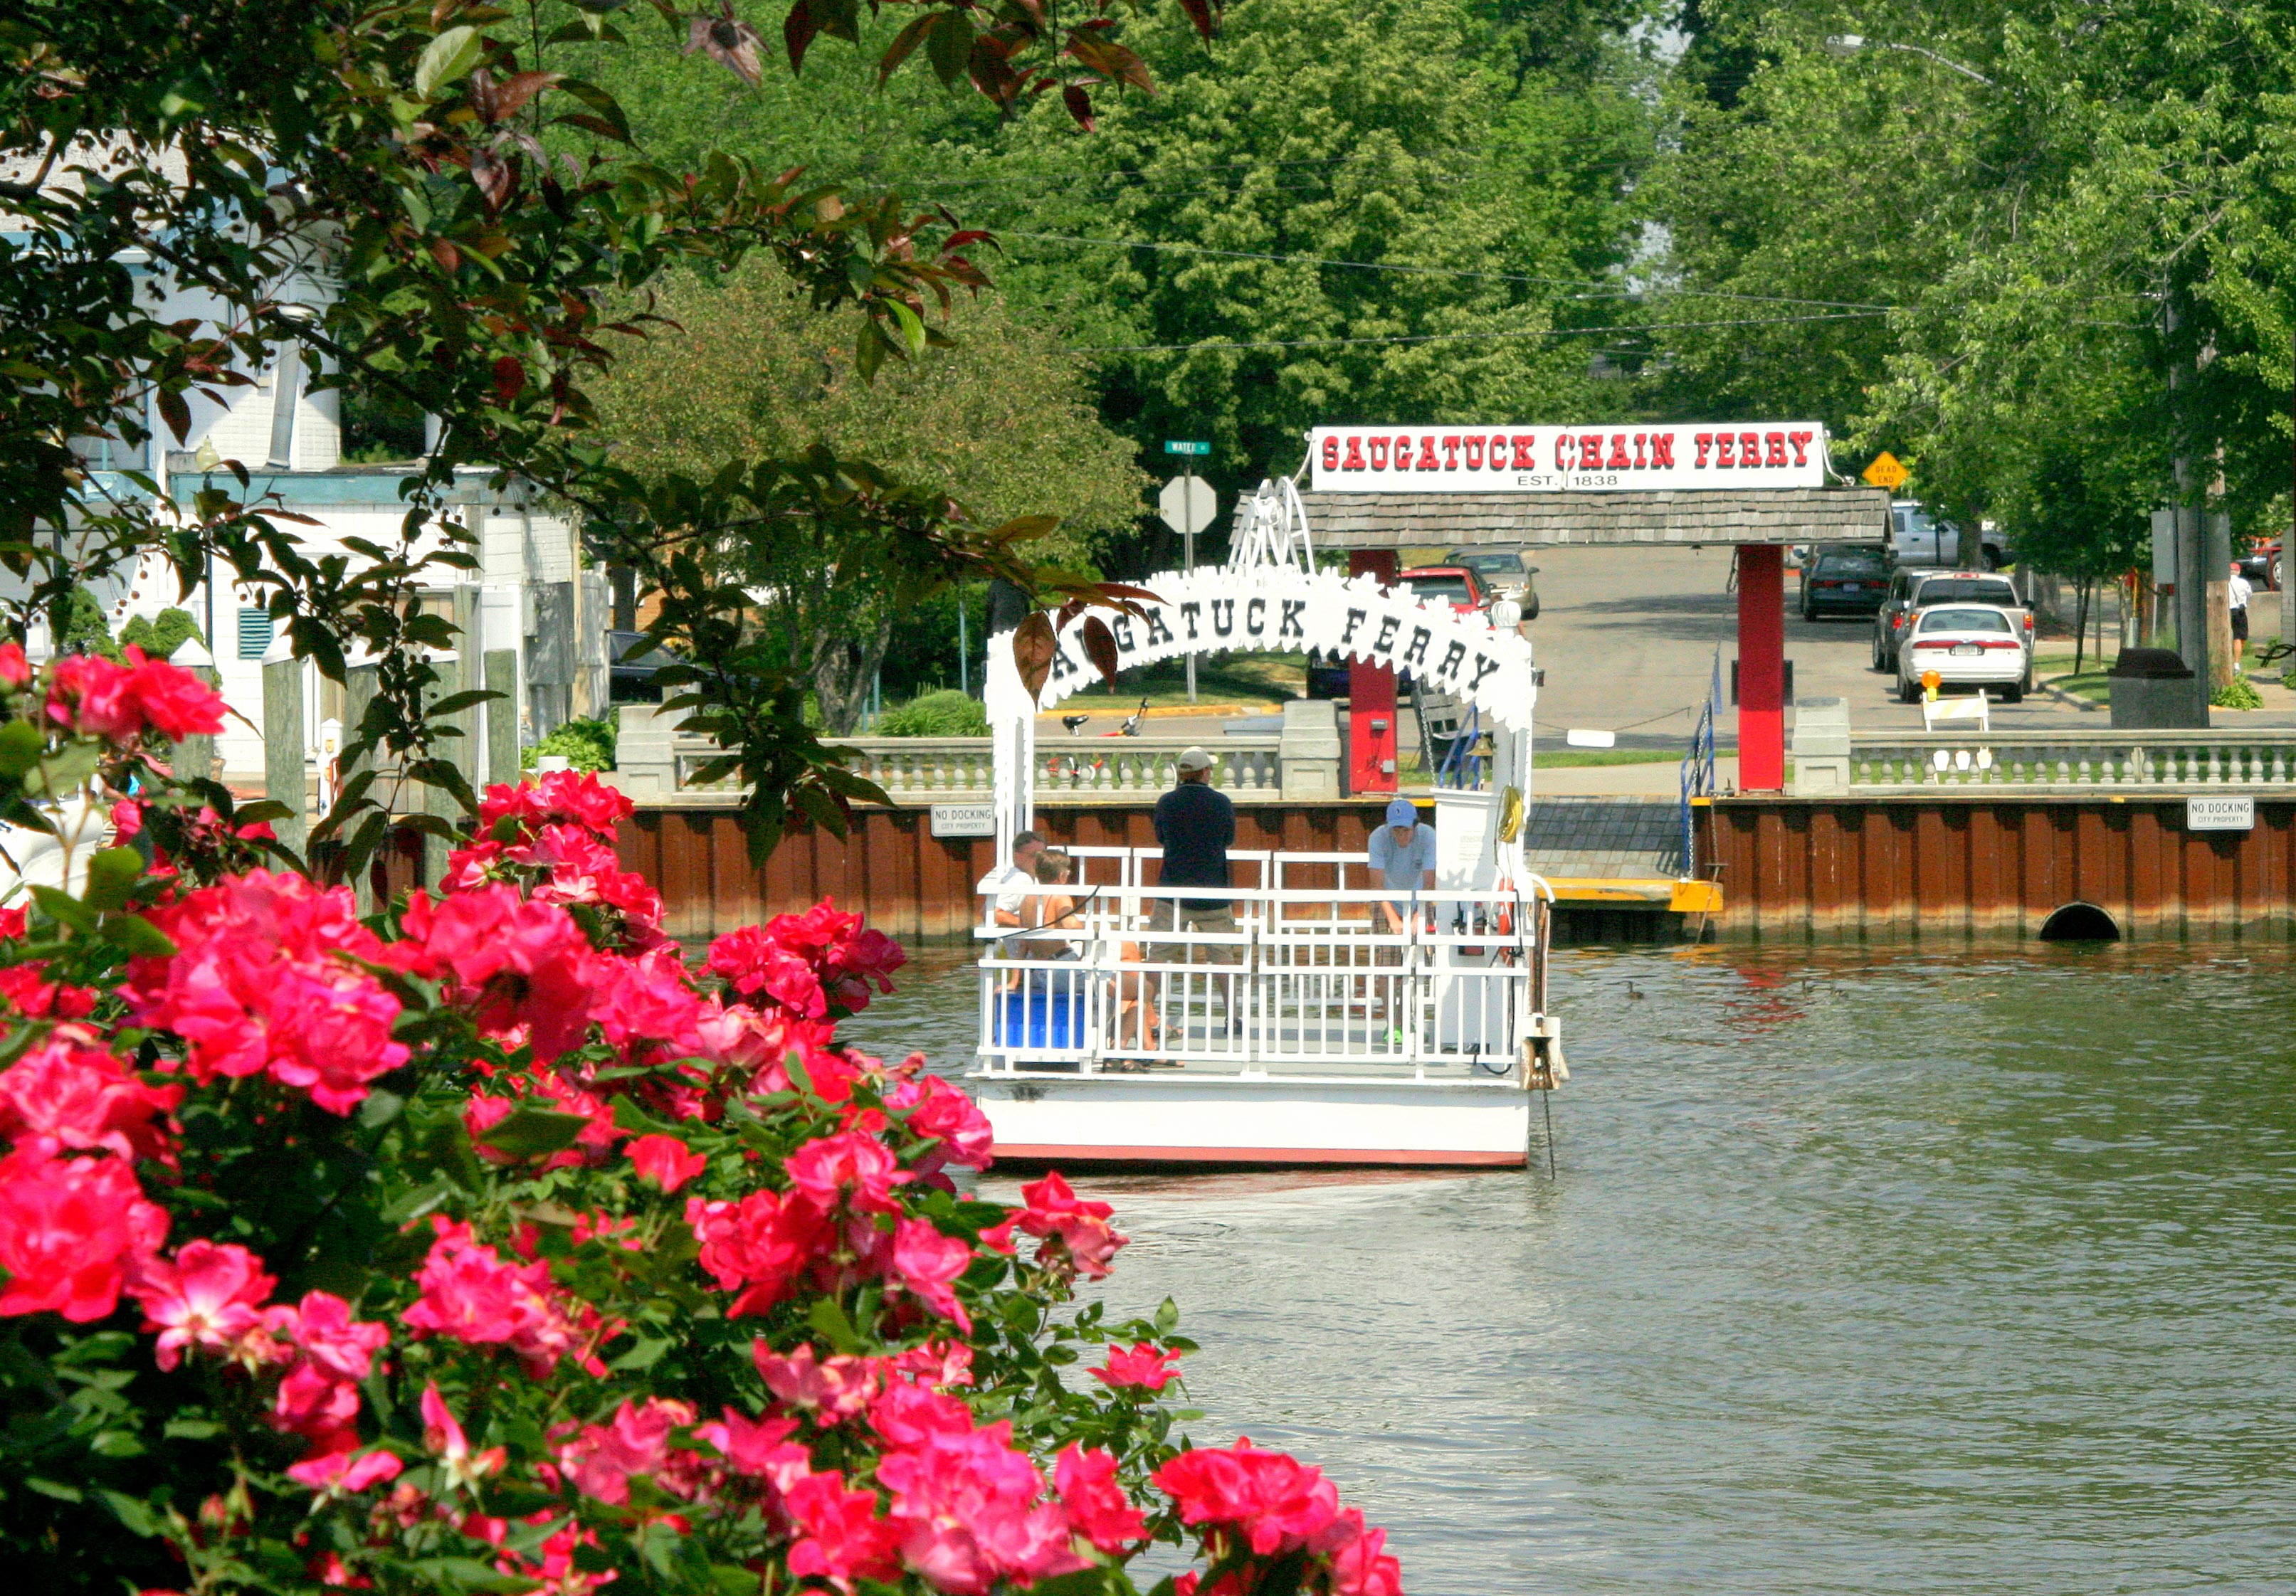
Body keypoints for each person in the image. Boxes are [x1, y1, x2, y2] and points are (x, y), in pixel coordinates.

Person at [1150, 747, 1236, 947]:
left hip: (1172, 892)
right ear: (1205, 771)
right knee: (1223, 956)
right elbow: (1228, 840)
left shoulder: (1166, 802)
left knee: (1158, 953)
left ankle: (1153, 981)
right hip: (1213, 893)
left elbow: (1161, 838)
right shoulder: (1221, 803)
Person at [1367, 797, 1437, 936]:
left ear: (1415, 825)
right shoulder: (1378, 837)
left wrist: (1418, 916)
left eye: (1406, 830)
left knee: (1427, 954)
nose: (1401, 836)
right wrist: (1392, 918)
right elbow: (1376, 884)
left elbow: (1429, 883)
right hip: (1386, 899)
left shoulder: (1428, 835)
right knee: (1388, 956)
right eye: (1396, 830)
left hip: (1421, 898)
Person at [975, 829, 1044, 929]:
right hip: (1012, 941)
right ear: (1017, 856)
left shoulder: (1011, 874)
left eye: (1043, 857)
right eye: (1034, 856)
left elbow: (984, 910)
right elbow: (994, 913)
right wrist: (1031, 925)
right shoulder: (1022, 880)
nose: (1040, 861)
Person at [2229, 561, 2254, 670]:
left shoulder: (2225, 582)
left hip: (2227, 611)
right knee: (2239, 637)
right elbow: (2249, 594)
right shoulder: (2244, 583)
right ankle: (2236, 663)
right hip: (2239, 612)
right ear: (2238, 572)